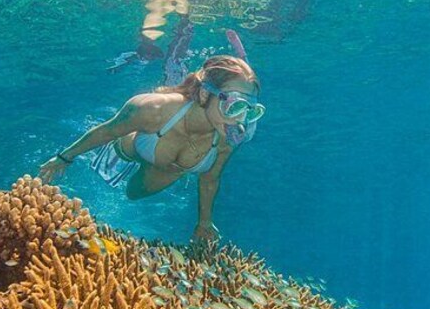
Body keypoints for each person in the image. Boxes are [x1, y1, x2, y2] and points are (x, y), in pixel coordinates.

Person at [38, 53, 264, 244]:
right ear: (205, 93)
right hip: (131, 148)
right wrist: (64, 157)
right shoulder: (152, 108)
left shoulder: (227, 137)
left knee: (132, 194)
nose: (240, 120)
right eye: (234, 106)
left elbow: (210, 178)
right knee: (96, 177)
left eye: (250, 110)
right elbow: (107, 131)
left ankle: (166, 168)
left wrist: (204, 222)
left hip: (170, 168)